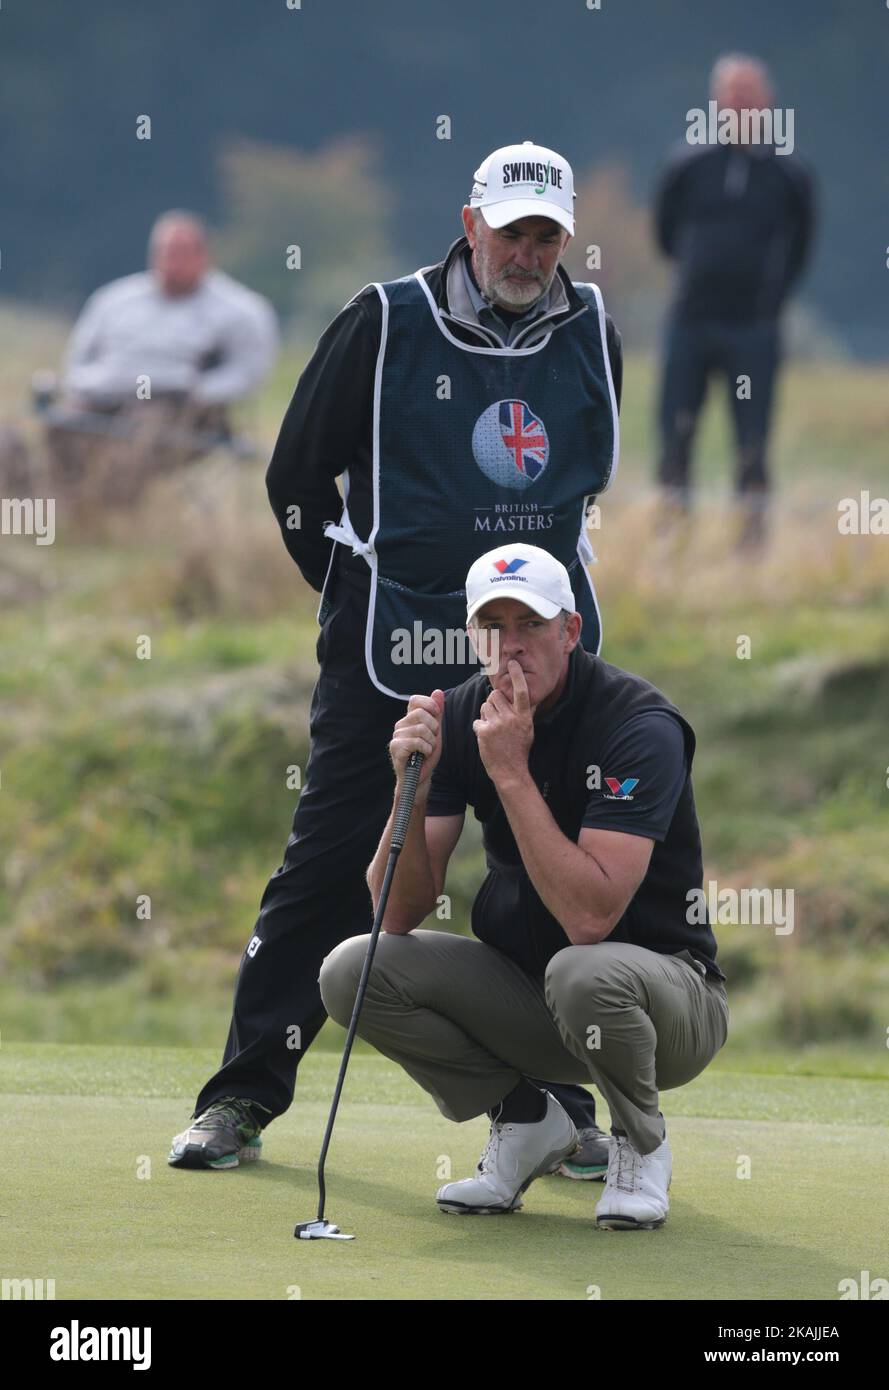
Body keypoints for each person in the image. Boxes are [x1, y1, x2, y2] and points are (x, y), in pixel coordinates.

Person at [169, 141, 623, 1178]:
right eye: (510, 229)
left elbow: (586, 481)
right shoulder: (382, 321)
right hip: (389, 651)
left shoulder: (593, 327)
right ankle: (241, 1095)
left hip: (538, 659)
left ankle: (555, 1106)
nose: (527, 250)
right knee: (329, 875)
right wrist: (349, 588)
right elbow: (296, 478)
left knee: (531, 882)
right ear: (471, 225)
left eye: (545, 233)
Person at [319, 544, 729, 1230]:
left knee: (583, 969)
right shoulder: (460, 714)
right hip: (537, 1000)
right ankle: (525, 1120)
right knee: (353, 968)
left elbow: (590, 918)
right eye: (493, 628)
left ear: (569, 631)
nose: (511, 649)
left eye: (531, 626)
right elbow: (396, 910)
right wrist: (410, 786)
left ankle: (639, 1144)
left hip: (668, 1010)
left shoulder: (636, 727)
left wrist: (509, 772)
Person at [653, 54, 815, 547]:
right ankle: (672, 539)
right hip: (691, 321)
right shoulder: (687, 165)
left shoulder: (790, 174)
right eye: (731, 93)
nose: (740, 103)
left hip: (754, 329)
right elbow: (664, 233)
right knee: (677, 431)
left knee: (752, 440)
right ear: (716, 101)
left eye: (749, 93)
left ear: (767, 101)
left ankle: (751, 543)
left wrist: (770, 298)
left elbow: (802, 245)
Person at [45, 210, 278, 502]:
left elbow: (248, 372)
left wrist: (199, 392)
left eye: (181, 254)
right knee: (61, 423)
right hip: (103, 396)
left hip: (177, 407)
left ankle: (111, 510)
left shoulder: (240, 311)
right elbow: (78, 360)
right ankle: (69, 507)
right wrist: (85, 385)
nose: (171, 263)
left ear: (204, 256)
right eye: (164, 252)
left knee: (140, 434)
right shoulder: (114, 300)